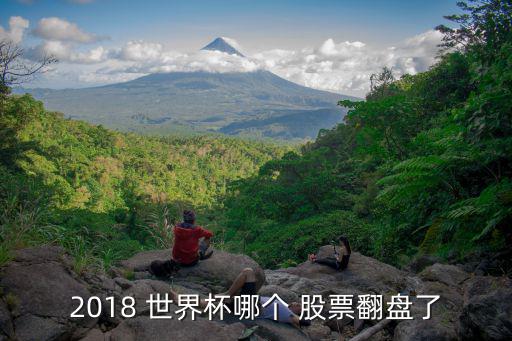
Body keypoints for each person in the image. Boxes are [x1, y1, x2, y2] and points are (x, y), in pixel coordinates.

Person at [169, 268, 309, 328]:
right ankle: (179, 300)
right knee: (211, 303)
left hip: (253, 307)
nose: (297, 302)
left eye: (299, 306)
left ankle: (228, 294)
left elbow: (305, 322)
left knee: (248, 272)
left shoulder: (288, 314)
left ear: (297, 312)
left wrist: (299, 319)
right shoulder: (284, 305)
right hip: (248, 305)